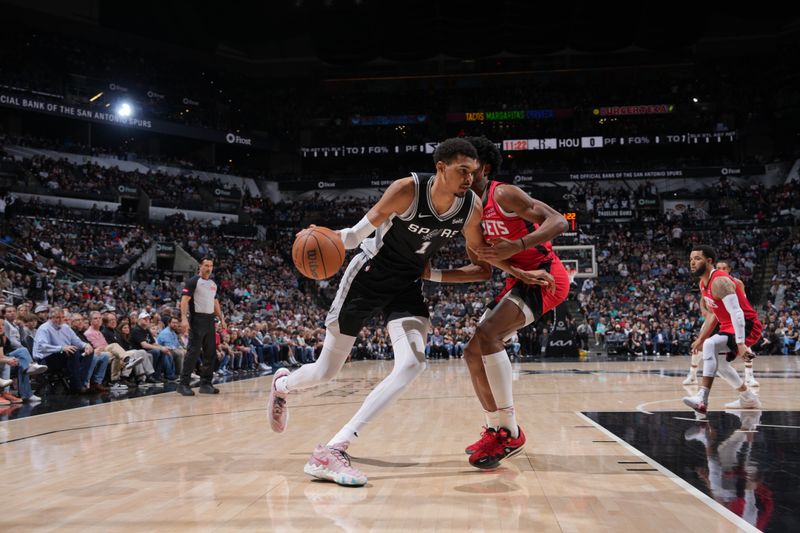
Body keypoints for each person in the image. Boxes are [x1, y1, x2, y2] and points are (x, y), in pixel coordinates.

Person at [267, 138, 492, 486]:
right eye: (463, 171)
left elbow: (482, 265)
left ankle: (335, 447)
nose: (469, 179)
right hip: (368, 276)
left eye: (473, 173)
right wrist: (319, 236)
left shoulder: (471, 208)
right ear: (441, 168)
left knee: (414, 363)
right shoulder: (407, 189)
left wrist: (519, 266)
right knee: (326, 371)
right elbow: (356, 236)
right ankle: (283, 384)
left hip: (405, 286)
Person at [423, 135, 569, 469]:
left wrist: (518, 244)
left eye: (469, 168)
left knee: (488, 335)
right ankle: (495, 430)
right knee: (472, 351)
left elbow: (559, 221)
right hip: (518, 278)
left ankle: (510, 430)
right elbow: (481, 270)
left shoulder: (502, 194)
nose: (465, 177)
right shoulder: (466, 212)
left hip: (546, 276)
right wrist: (431, 275)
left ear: (482, 168)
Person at [682, 246, 762, 414]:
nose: (692, 263)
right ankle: (748, 398)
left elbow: (737, 312)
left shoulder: (720, 281)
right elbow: (713, 314)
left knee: (711, 345)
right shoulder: (703, 283)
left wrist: (740, 343)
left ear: (709, 261)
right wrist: (701, 338)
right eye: (691, 260)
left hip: (746, 324)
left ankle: (702, 398)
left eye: (697, 259)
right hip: (728, 326)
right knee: (720, 365)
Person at [178, 258, 227, 396]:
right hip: (197, 319)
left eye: (211, 266)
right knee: (193, 352)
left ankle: (206, 384)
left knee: (210, 353)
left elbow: (215, 302)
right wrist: (183, 318)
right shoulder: (193, 281)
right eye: (206, 265)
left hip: (210, 319)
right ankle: (183, 384)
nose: (209, 268)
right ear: (200, 266)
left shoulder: (212, 283)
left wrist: (221, 318)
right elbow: (184, 300)